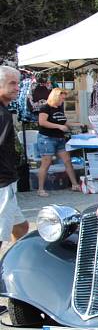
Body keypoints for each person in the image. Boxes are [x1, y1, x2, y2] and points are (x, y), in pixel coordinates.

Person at [0, 67, 29, 250]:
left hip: (7, 181)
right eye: (12, 83)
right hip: (2, 183)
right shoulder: (2, 114)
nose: (17, 88)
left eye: (17, 83)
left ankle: (20, 260)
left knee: (21, 228)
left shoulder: (4, 111)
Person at [36, 88, 81, 197]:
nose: (63, 100)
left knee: (67, 161)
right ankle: (40, 189)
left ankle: (75, 184)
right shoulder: (45, 107)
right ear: (55, 96)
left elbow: (63, 121)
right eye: (62, 98)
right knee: (46, 163)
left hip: (59, 138)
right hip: (47, 138)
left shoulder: (59, 108)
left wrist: (79, 124)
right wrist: (59, 126)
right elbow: (42, 122)